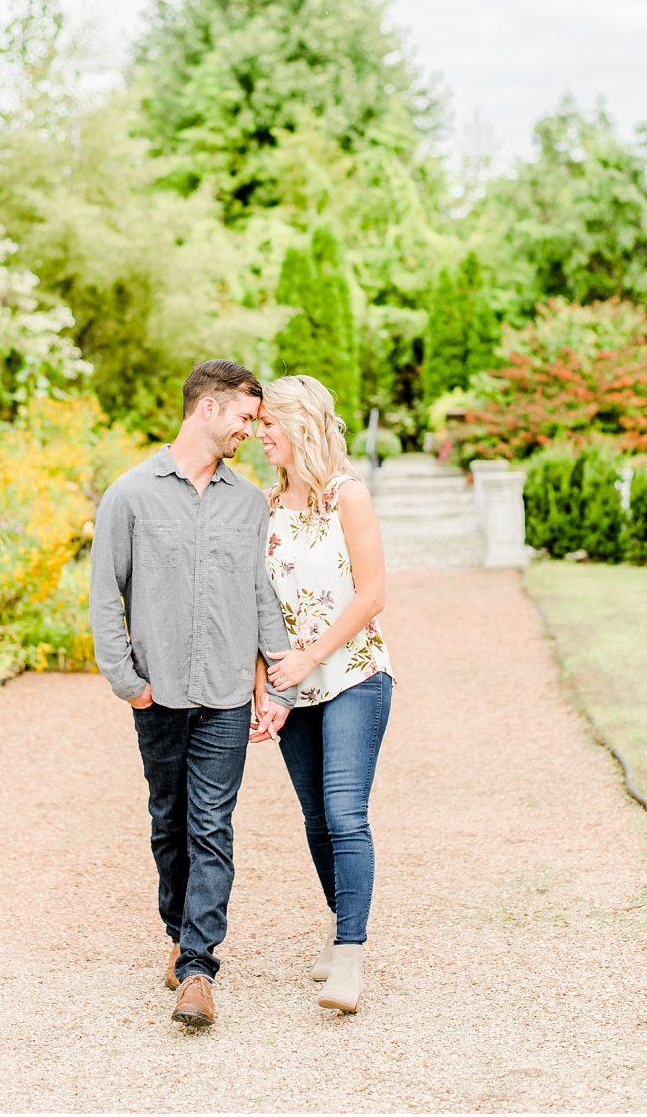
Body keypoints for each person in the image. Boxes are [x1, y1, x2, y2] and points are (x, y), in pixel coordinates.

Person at [89, 359, 294, 1030]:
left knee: (212, 826)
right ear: (207, 409)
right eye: (243, 417)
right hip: (160, 693)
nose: (248, 430)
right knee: (169, 823)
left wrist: (276, 678)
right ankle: (178, 933)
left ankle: (200, 967)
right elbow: (103, 597)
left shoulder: (246, 502)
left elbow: (261, 596)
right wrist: (129, 683)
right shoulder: (129, 495)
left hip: (227, 696)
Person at [250, 374, 394, 1014]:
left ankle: (351, 958)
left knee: (343, 812)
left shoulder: (347, 496)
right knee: (314, 819)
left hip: (355, 674)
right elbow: (258, 606)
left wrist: (311, 655)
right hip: (293, 687)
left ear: (300, 424)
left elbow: (372, 594)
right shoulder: (265, 505)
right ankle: (340, 931)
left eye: (268, 425)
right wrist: (268, 689)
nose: (259, 436)